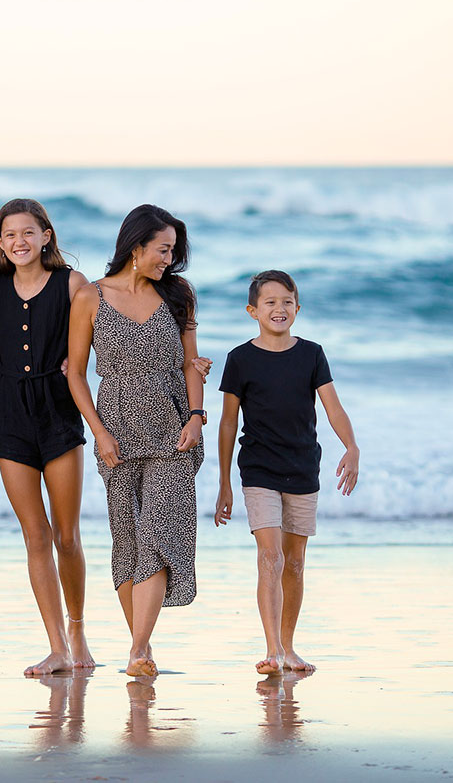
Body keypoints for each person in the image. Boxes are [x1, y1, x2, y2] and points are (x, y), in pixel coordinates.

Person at [67, 203, 206, 678]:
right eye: (163, 250)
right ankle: (140, 651)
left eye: (173, 251)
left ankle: (140, 648)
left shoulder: (179, 294)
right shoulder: (89, 297)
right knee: (125, 541)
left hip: (172, 428)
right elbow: (77, 375)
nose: (169, 259)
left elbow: (190, 363)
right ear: (136, 245)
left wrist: (196, 415)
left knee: (156, 534)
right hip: (117, 430)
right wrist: (98, 432)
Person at [213, 269, 359, 675]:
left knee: (294, 562)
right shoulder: (239, 359)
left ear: (298, 308)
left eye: (287, 302)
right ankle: (272, 649)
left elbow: (333, 406)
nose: (279, 309)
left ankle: (289, 646)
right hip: (258, 469)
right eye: (270, 302)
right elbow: (228, 423)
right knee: (270, 556)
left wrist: (352, 446)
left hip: (302, 468)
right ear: (252, 311)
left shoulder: (312, 354)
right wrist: (224, 481)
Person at [0, 199, 96, 675]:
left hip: (58, 409)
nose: (19, 242)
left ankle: (76, 628)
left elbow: (103, 336)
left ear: (46, 236)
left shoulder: (72, 284)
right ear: (0, 243)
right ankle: (55, 646)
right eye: (10, 235)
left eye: (28, 232)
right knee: (36, 535)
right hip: (8, 410)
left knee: (66, 536)